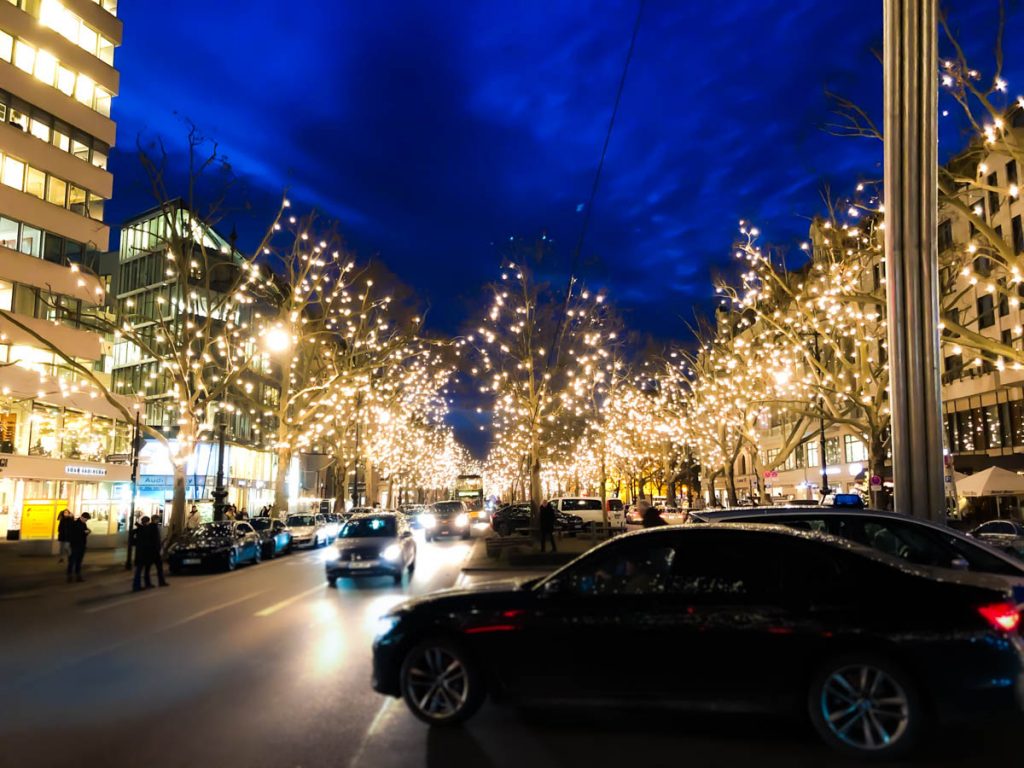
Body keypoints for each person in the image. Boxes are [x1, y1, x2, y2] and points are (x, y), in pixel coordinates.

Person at [132, 516, 155, 591]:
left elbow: (132, 535)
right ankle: (139, 585)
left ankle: (137, 585)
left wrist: (135, 542)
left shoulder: (140, 529)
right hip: (145, 553)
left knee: (139, 570)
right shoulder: (146, 529)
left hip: (140, 552)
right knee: (142, 569)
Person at [66, 512, 91, 582]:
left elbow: (84, 533)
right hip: (75, 545)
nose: (86, 521)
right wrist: (84, 532)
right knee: (72, 561)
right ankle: (69, 576)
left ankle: (78, 575)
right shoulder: (75, 523)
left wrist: (87, 532)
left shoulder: (83, 524)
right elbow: (74, 534)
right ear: (82, 517)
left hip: (82, 545)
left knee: (79, 561)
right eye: (86, 519)